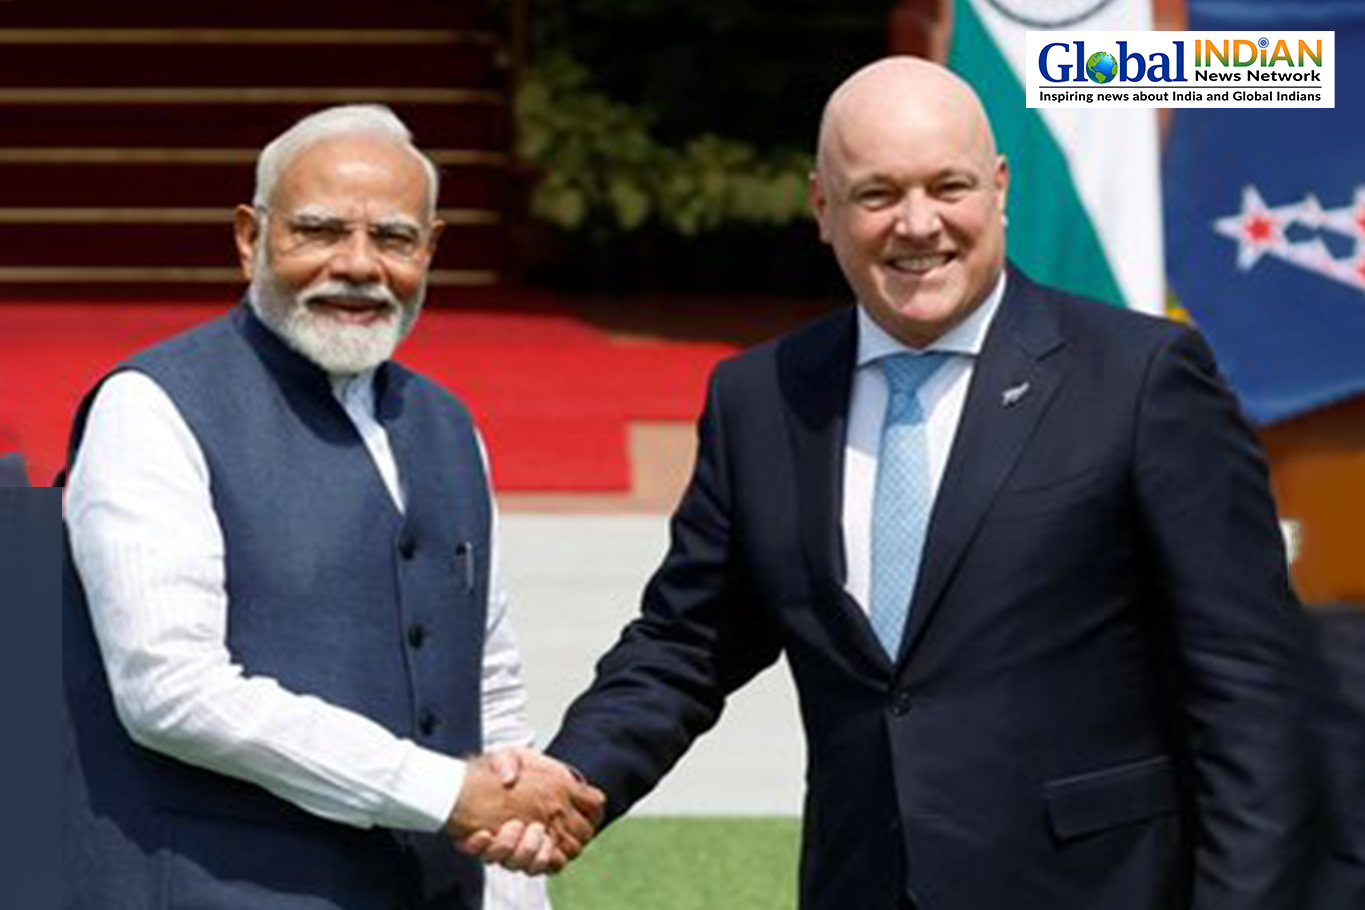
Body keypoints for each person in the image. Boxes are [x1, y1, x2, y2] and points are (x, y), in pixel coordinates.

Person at [480, 57, 1320, 909]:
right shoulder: (759, 399)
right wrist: (572, 776)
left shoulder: (1142, 378)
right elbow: (684, 644)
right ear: (822, 207)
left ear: (999, 188)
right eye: (877, 194)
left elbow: (1252, 685)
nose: (918, 224)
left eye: (947, 186)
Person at [62, 104, 602, 910]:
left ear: (430, 248)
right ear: (249, 237)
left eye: (393, 238)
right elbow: (169, 689)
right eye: (317, 231)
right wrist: (442, 793)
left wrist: (513, 882)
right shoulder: (151, 407)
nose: (357, 265)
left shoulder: (450, 425)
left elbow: (486, 682)